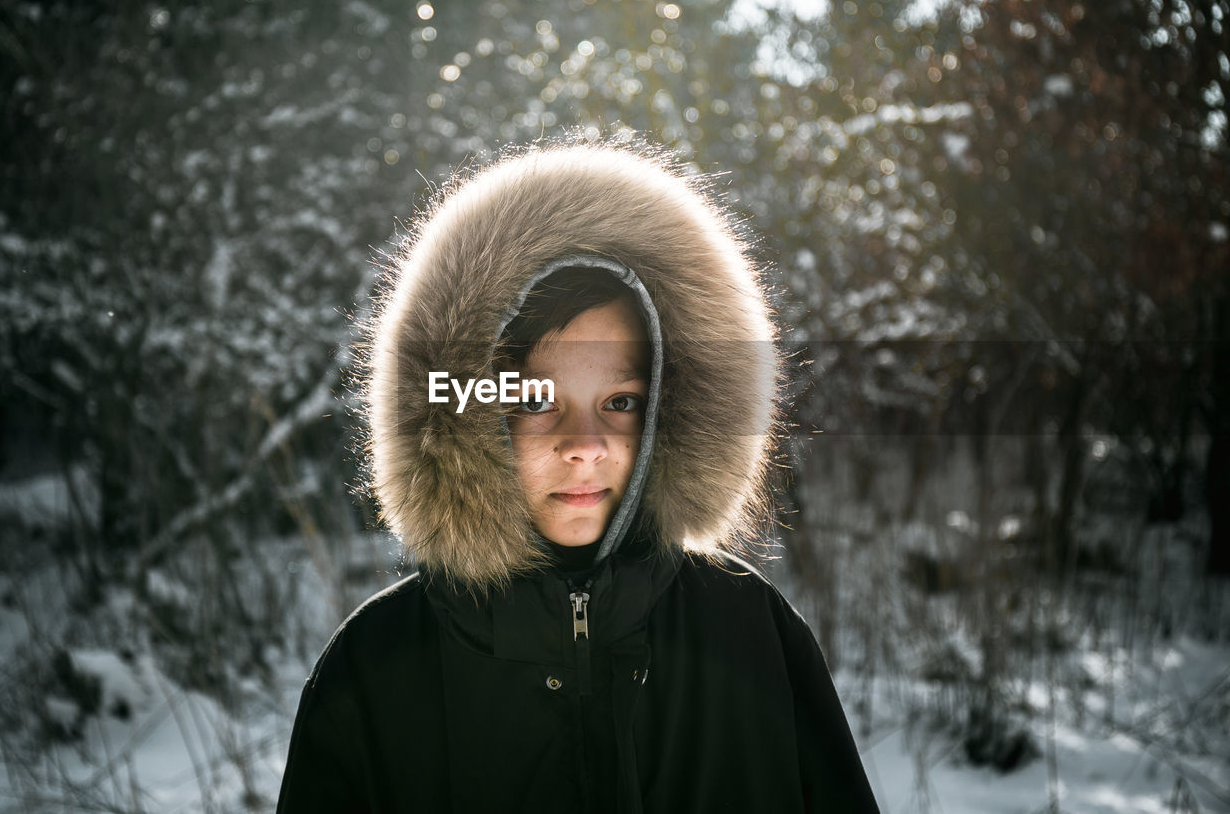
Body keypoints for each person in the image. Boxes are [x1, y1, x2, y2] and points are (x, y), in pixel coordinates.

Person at [276, 140, 880, 813]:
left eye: (619, 402)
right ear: (466, 421)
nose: (585, 447)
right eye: (536, 402)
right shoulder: (373, 674)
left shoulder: (754, 639)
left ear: (667, 412)